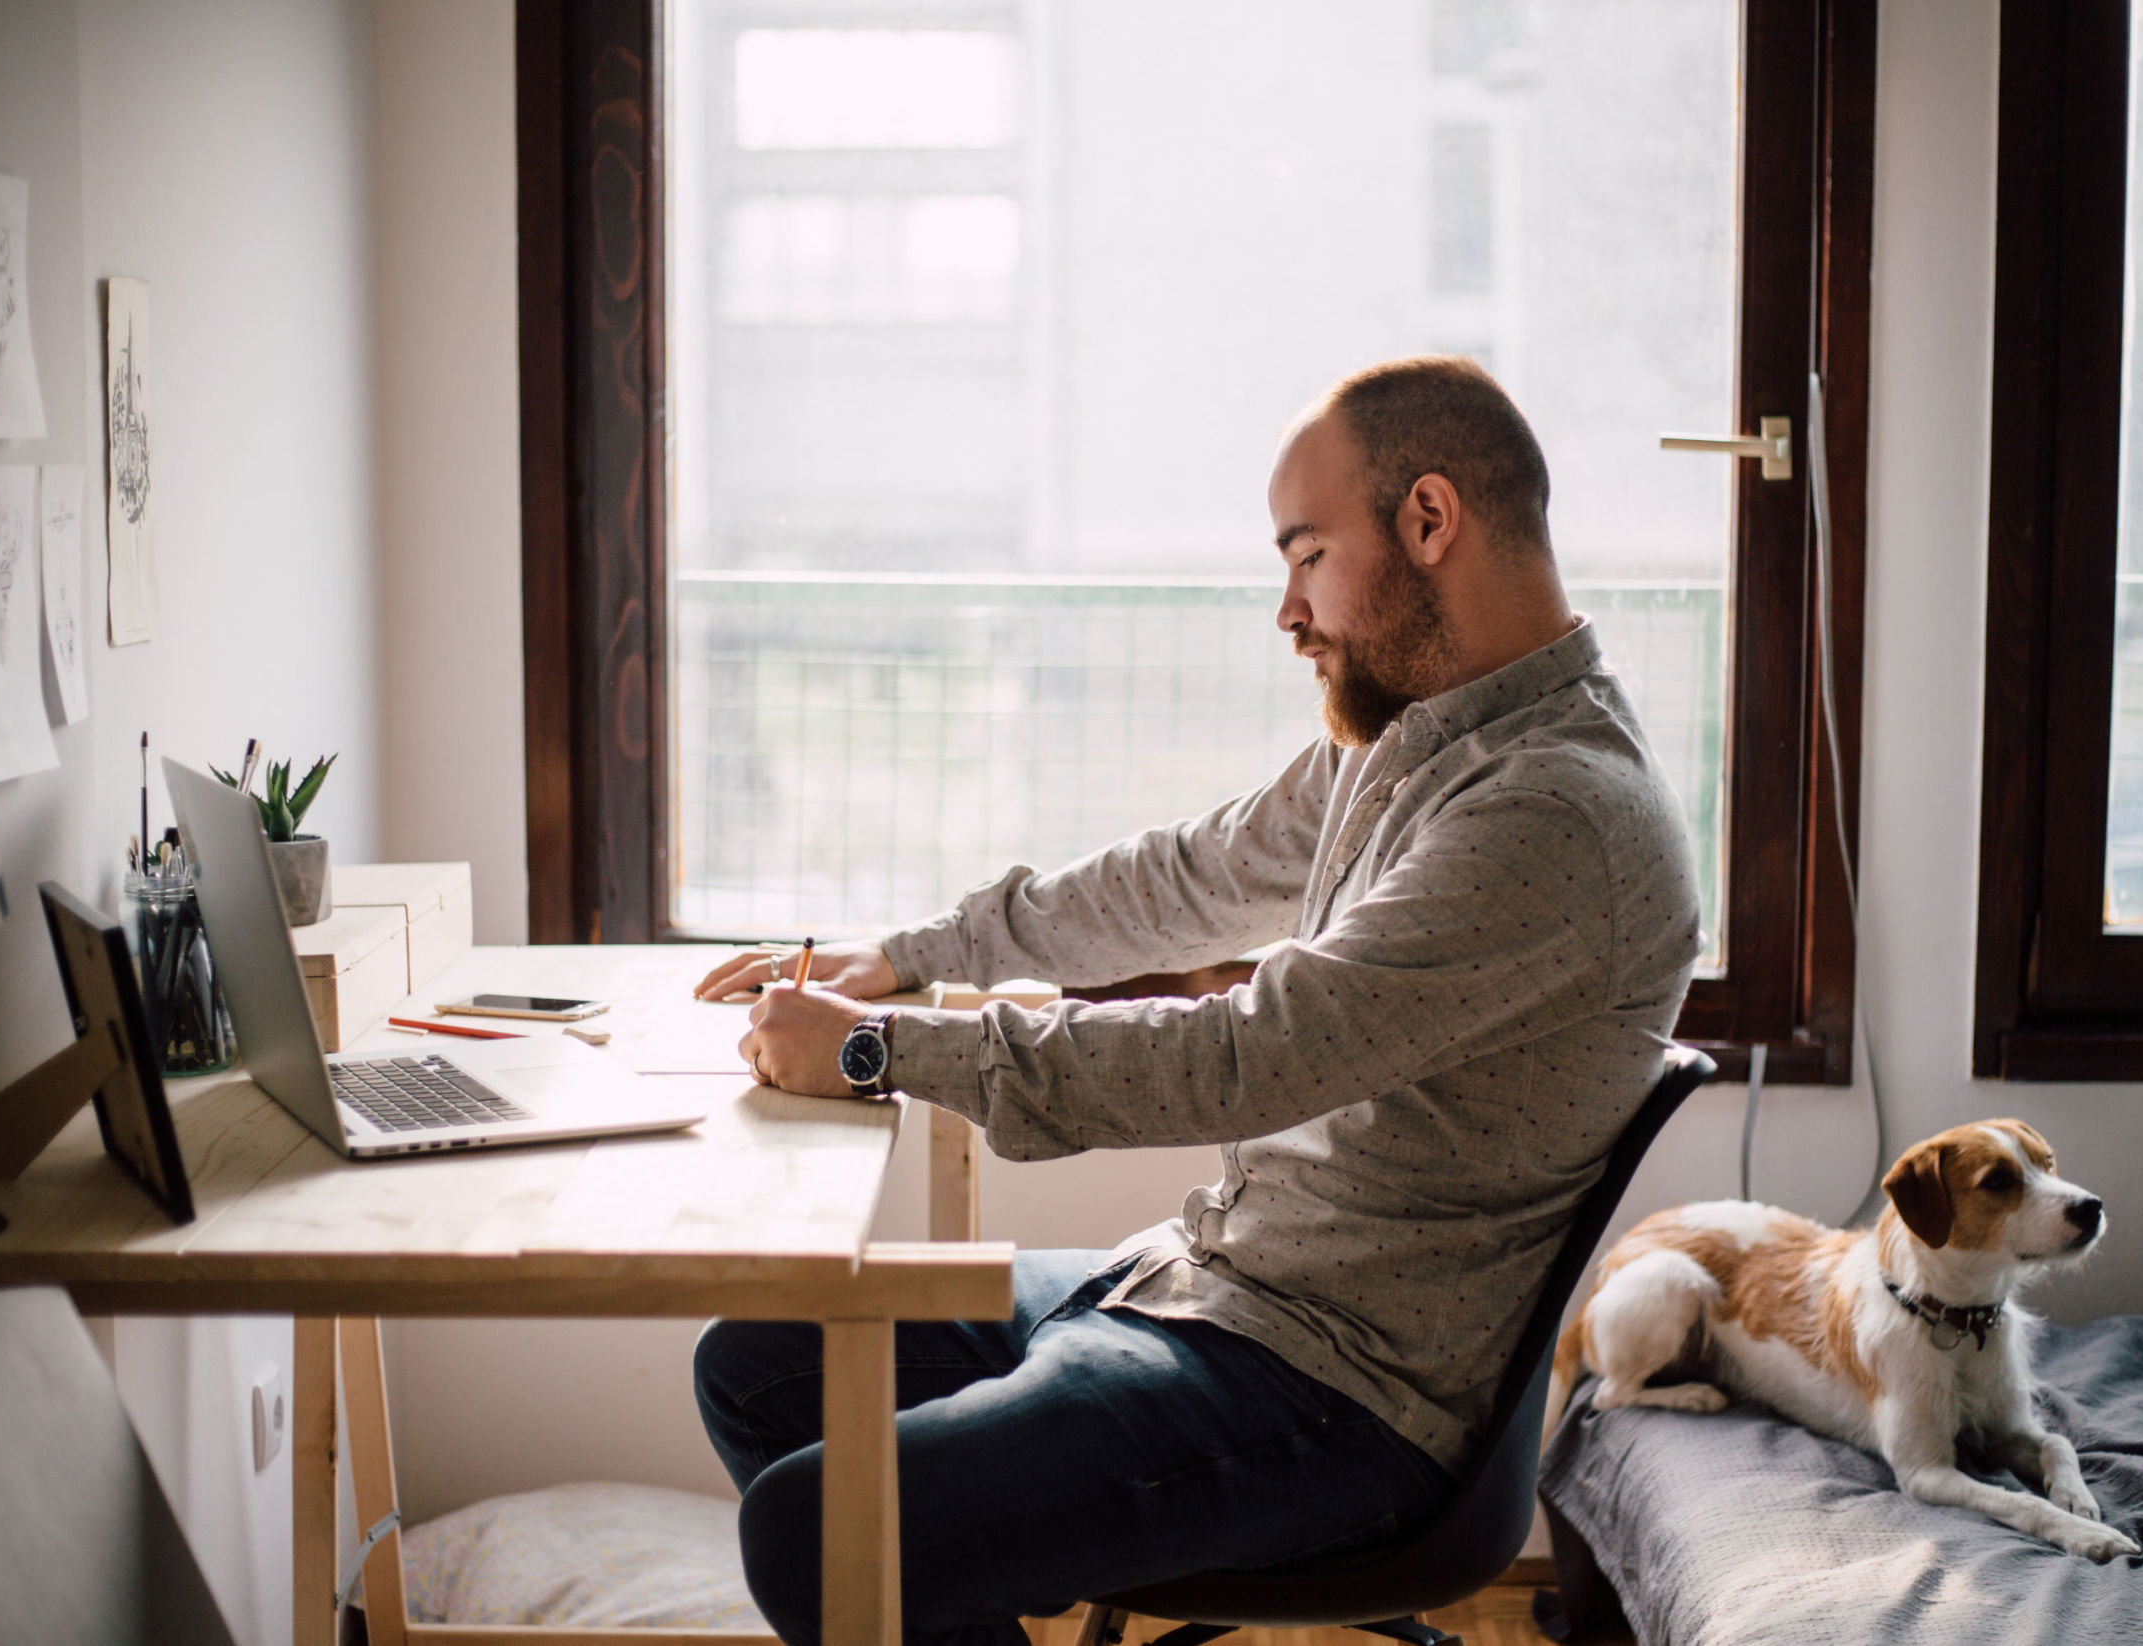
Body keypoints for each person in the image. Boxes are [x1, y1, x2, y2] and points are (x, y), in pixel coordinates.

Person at [690, 355, 1701, 1646]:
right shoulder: (1423, 738)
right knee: (759, 1356)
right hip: (1221, 1284)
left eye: (1307, 553)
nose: (1287, 609)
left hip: (1336, 1386)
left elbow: (1250, 1056)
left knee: (817, 1523)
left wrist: (884, 1049)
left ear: (1430, 520)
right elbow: (1190, 875)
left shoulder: (1552, 811)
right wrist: (898, 953)